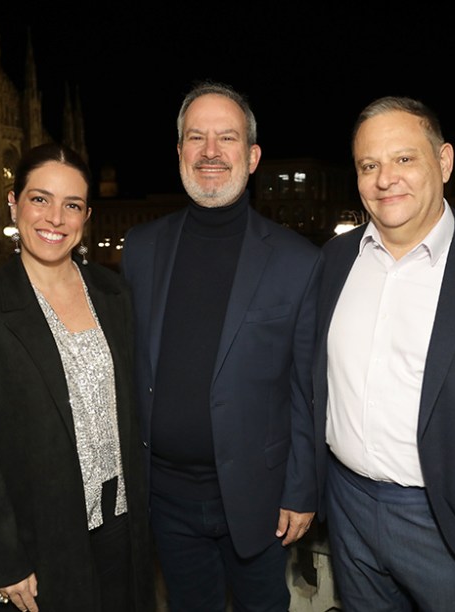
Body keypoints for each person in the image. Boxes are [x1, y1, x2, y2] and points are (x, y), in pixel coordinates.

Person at [312, 96, 455, 611]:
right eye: (369, 165)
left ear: (444, 162)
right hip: (346, 507)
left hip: (448, 523)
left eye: (404, 159)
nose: (384, 178)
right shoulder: (332, 261)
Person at [121, 82, 321, 611]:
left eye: (226, 138)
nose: (211, 152)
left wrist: (301, 489)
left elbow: (306, 387)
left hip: (259, 497)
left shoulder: (297, 261)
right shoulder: (141, 250)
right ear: (180, 152)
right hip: (164, 498)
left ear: (252, 157)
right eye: (196, 138)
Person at [0, 143, 153, 611]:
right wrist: (2, 560)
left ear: (86, 215)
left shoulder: (114, 293)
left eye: (71, 205)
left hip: (124, 524)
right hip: (41, 542)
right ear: (14, 203)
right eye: (40, 199)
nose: (55, 218)